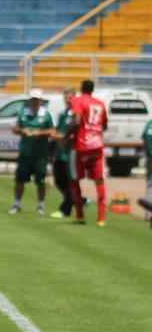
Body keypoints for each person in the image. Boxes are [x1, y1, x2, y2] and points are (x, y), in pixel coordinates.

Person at [68, 79, 108, 226]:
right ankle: (101, 218)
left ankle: (80, 215)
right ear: (92, 89)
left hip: (81, 146)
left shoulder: (78, 100)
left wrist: (67, 135)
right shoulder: (100, 103)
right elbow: (104, 124)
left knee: (75, 179)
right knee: (99, 181)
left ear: (81, 88)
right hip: (97, 146)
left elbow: (77, 121)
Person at [10, 88, 55, 215]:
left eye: (37, 100)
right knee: (19, 179)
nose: (34, 102)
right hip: (25, 153)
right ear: (30, 100)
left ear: (40, 101)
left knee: (40, 180)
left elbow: (52, 131)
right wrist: (23, 131)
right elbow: (15, 128)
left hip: (40, 154)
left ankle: (41, 205)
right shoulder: (23, 113)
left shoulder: (46, 114)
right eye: (32, 99)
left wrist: (38, 133)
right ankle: (17, 204)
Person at [51, 89, 77, 219]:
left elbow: (74, 132)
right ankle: (80, 200)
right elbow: (57, 130)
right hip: (60, 153)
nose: (67, 99)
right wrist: (55, 134)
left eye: (70, 97)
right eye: (65, 97)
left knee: (68, 181)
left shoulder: (76, 114)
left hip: (70, 153)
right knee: (58, 181)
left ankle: (65, 209)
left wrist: (63, 137)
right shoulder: (63, 114)